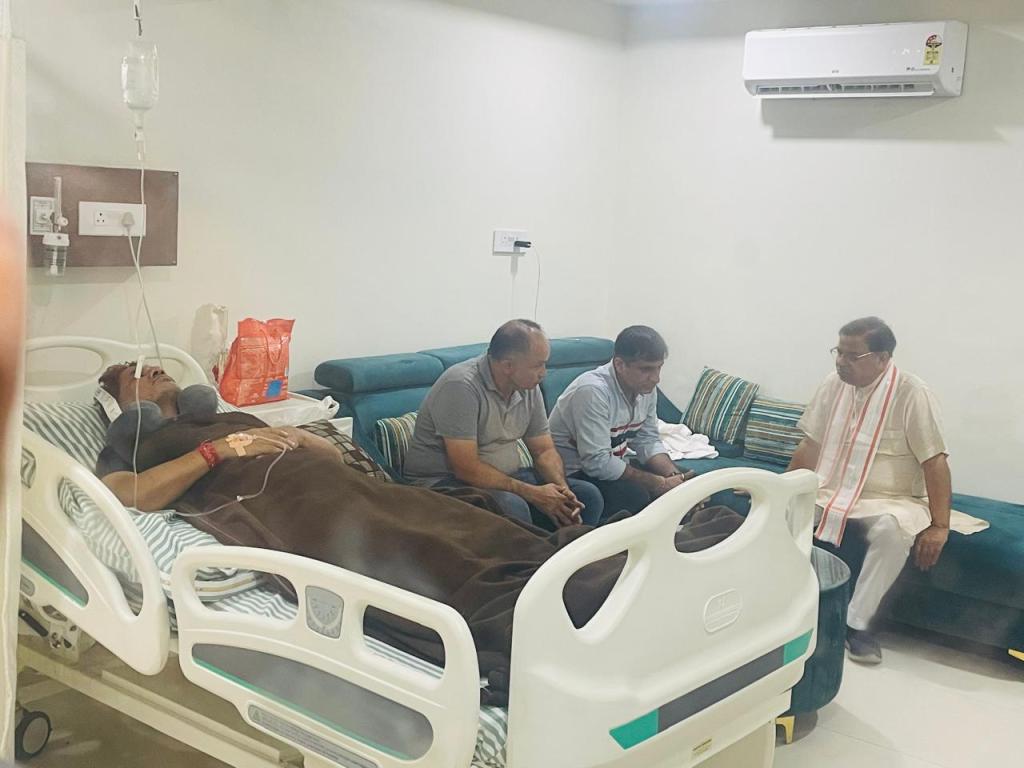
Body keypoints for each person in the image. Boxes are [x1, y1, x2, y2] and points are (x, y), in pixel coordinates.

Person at [93, 361, 742, 705]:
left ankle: (608, 564)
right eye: (135, 371)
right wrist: (218, 453)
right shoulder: (140, 439)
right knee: (410, 550)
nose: (153, 370)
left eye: (157, 366)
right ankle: (568, 602)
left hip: (346, 484)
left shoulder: (229, 414)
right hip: (289, 508)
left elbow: (327, 450)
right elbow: (126, 493)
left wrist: (298, 440)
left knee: (463, 521)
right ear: (123, 400)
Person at [789, 317, 986, 665]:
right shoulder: (833, 384)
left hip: (891, 499)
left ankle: (857, 625)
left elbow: (935, 461)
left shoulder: (912, 393)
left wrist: (939, 525)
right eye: (838, 352)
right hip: (833, 487)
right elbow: (811, 444)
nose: (841, 362)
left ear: (882, 358)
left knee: (891, 532)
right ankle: (790, 606)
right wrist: (780, 488)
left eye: (852, 356)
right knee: (787, 511)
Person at [402, 320, 604, 528]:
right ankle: (537, 549)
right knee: (511, 506)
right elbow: (465, 468)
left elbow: (543, 450)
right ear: (508, 366)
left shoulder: (528, 386)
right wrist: (530, 492)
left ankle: (561, 548)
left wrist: (562, 488)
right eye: (537, 365)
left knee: (586, 496)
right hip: (443, 483)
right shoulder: (461, 386)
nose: (544, 372)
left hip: (505, 478)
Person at [549, 326, 690, 519]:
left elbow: (647, 440)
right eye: (646, 369)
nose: (656, 378)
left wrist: (674, 478)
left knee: (689, 485)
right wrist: (659, 483)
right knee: (636, 496)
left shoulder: (645, 388)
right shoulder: (592, 391)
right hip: (573, 473)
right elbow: (597, 462)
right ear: (619, 364)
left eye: (659, 367)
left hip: (608, 466)